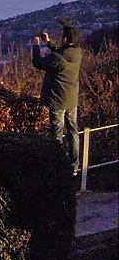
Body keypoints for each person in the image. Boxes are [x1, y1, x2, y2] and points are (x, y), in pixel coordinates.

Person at [32, 24, 84, 173]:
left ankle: (58, 166)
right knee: (73, 132)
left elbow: (38, 63)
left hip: (58, 100)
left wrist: (36, 46)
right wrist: (49, 43)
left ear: (65, 39)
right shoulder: (77, 52)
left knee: (57, 134)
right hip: (72, 99)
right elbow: (61, 55)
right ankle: (75, 165)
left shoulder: (58, 58)